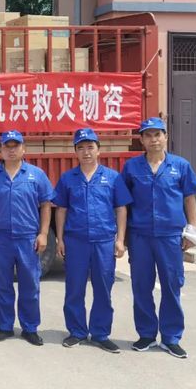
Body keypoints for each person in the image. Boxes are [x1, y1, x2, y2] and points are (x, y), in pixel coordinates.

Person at [122, 117, 196, 358]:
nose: (153, 139)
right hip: (140, 236)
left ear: (165, 137)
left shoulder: (180, 166)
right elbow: (123, 203)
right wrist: (122, 236)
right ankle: (146, 335)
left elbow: (189, 198)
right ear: (142, 140)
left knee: (171, 285)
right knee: (141, 286)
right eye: (148, 135)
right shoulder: (132, 167)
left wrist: (192, 230)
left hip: (170, 237)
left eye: (158, 134)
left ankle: (171, 338)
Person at [54, 128, 132, 353]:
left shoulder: (112, 177)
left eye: (90, 147)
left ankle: (100, 333)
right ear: (75, 152)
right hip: (76, 241)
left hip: (103, 241)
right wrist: (59, 239)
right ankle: (77, 331)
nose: (86, 152)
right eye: (81, 148)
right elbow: (61, 209)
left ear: (99, 150)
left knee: (103, 288)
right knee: (74, 288)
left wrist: (120, 239)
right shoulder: (68, 178)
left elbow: (121, 208)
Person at [0, 130, 54, 346]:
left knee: (30, 285)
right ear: (1, 150)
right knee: (3, 285)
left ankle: (30, 328)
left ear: (23, 149)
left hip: (27, 238)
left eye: (15, 146)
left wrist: (43, 233)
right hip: (0, 238)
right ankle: (5, 326)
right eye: (7, 146)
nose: (11, 150)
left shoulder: (36, 175)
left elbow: (46, 204)